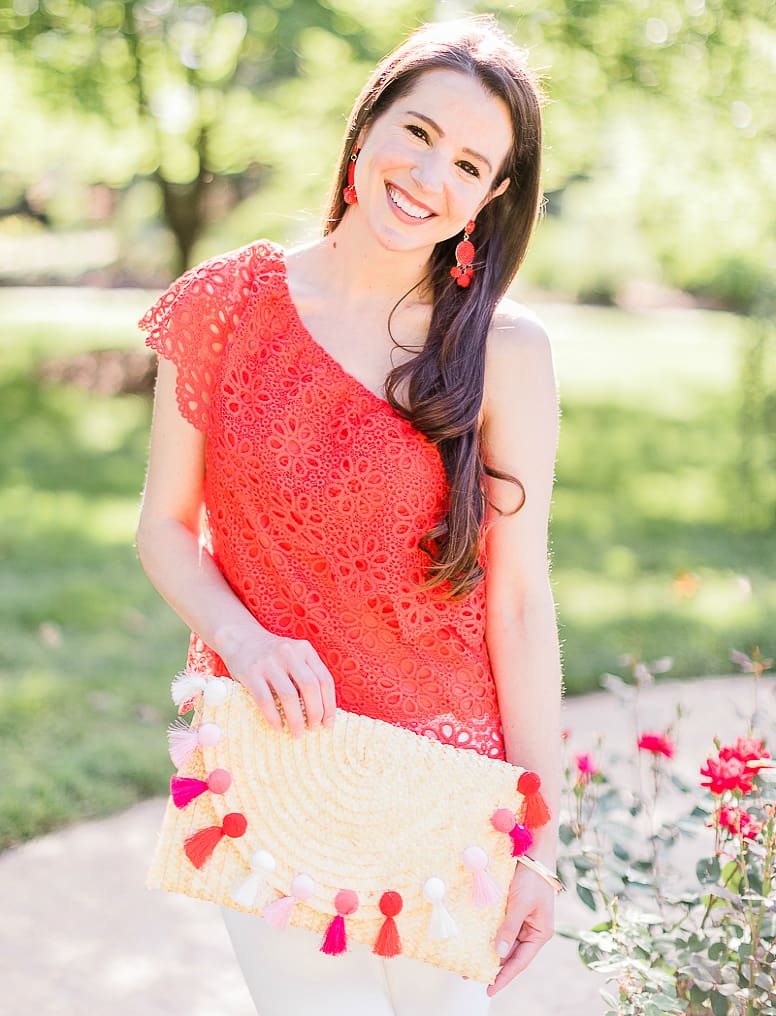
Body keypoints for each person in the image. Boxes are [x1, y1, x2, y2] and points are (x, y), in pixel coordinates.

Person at [136, 14, 562, 1016]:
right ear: (366, 124)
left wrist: (543, 839)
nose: (427, 175)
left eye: (467, 163)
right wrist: (242, 640)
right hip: (275, 755)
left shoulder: (506, 350)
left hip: (446, 786)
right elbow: (162, 525)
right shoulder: (224, 305)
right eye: (415, 132)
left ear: (490, 197)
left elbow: (519, 604)